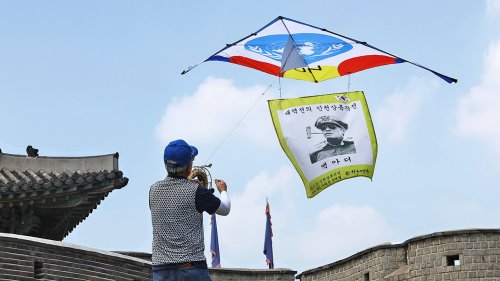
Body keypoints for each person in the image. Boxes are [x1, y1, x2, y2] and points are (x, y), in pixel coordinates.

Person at [149, 139, 231, 281]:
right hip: (190, 268)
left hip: (160, 269)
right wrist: (223, 191)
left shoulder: (153, 190)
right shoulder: (196, 191)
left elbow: (174, 205)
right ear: (188, 167)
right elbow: (225, 209)